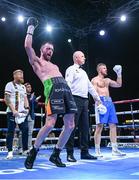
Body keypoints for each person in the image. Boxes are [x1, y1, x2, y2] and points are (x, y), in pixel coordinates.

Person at [24, 17, 77, 168]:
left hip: (65, 89)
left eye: (52, 49)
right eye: (48, 48)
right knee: (50, 124)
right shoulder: (37, 62)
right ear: (41, 49)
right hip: (52, 88)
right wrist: (31, 27)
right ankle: (33, 152)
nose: (50, 51)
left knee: (71, 125)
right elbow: (28, 46)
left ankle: (56, 154)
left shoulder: (55, 65)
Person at [65, 51, 104, 162]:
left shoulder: (83, 72)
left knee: (85, 128)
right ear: (76, 58)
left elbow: (90, 87)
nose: (84, 58)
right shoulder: (71, 69)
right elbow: (67, 83)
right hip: (74, 99)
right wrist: (68, 100)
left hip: (85, 100)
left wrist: (98, 99)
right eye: (82, 56)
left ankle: (85, 152)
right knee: (71, 127)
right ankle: (69, 153)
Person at [91, 63, 126, 157]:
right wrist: (98, 104)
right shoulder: (94, 80)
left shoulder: (107, 80)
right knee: (99, 126)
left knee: (113, 125)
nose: (106, 69)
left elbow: (119, 84)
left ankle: (114, 149)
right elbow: (94, 93)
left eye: (106, 68)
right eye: (104, 68)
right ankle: (97, 150)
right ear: (99, 69)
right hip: (100, 102)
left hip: (109, 102)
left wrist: (119, 74)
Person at [4, 70, 29, 159]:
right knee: (11, 131)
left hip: (22, 113)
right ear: (14, 75)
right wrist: (13, 110)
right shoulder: (9, 84)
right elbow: (6, 98)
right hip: (12, 112)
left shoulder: (23, 87)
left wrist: (27, 108)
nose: (22, 76)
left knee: (25, 129)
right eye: (20, 74)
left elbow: (25, 98)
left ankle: (25, 150)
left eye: (22, 74)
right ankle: (10, 151)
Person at [18, 83, 41, 153]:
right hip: (23, 116)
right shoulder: (22, 95)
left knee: (30, 133)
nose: (30, 88)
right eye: (28, 87)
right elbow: (23, 104)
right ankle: (20, 148)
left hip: (31, 116)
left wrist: (36, 101)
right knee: (22, 132)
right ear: (25, 88)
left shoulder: (33, 96)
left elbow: (35, 107)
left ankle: (28, 147)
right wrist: (31, 99)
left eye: (30, 87)